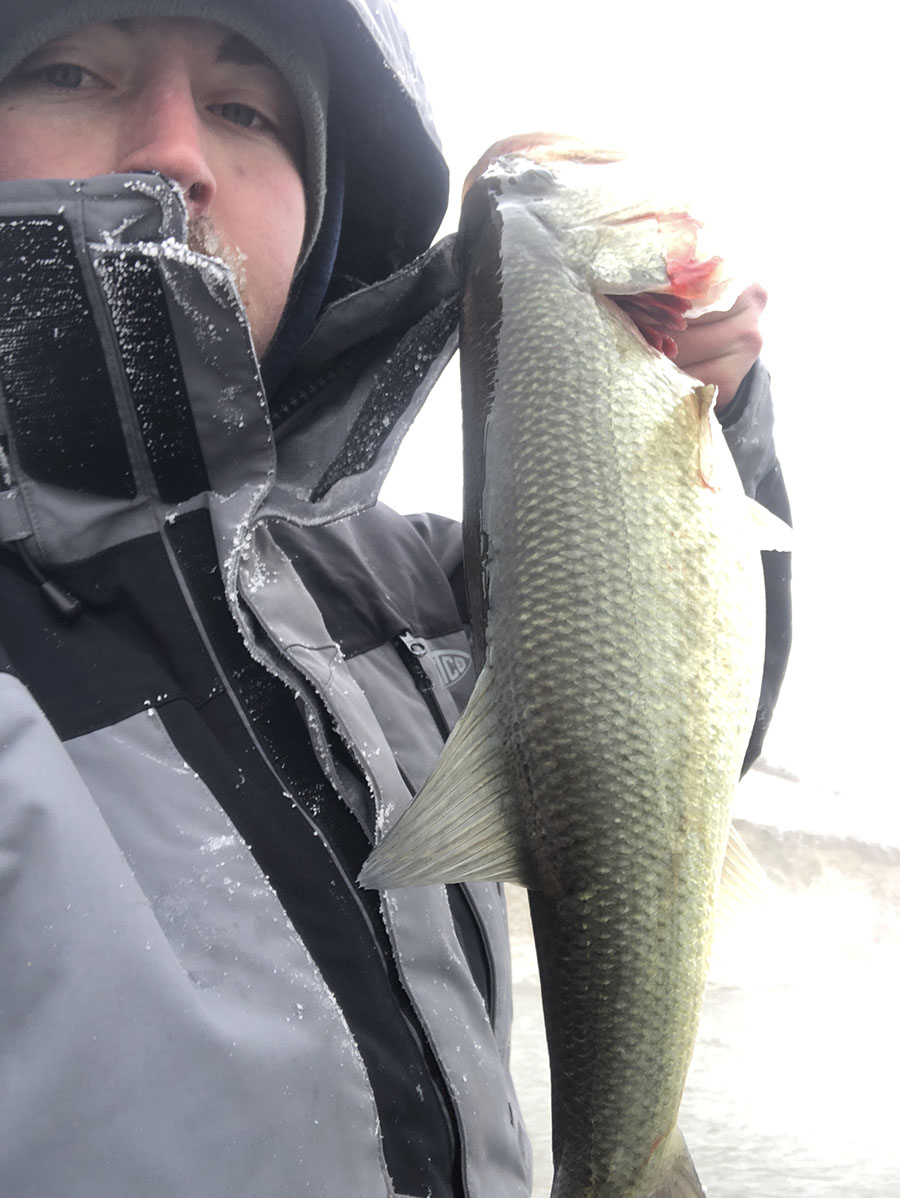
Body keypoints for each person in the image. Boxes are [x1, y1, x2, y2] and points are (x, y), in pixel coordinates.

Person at [0, 2, 791, 1196]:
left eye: (243, 109)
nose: (173, 152)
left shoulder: (412, 588)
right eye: (70, 72)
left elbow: (683, 739)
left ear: (322, 221)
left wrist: (721, 426)